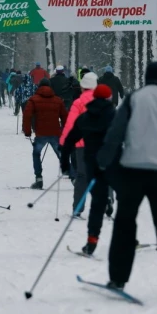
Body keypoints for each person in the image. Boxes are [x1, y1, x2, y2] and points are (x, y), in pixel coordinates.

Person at [96, 61, 157, 296]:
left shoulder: (134, 99)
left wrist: (103, 159)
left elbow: (116, 131)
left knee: (124, 224)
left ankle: (118, 279)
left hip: (133, 170)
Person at [61, 84, 116, 255]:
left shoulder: (85, 117)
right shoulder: (115, 115)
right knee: (128, 202)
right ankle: (130, 238)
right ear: (109, 98)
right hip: (112, 163)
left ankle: (91, 242)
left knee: (96, 205)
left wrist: (64, 164)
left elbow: (69, 140)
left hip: (91, 162)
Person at [59, 71, 98, 217]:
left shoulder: (79, 103)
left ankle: (78, 207)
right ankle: (107, 201)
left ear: (83, 88)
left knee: (82, 176)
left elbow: (70, 125)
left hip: (82, 145)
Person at [23, 78, 68, 189]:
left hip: (41, 133)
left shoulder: (33, 100)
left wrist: (27, 131)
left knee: (36, 154)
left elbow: (27, 115)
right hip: (55, 132)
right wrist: (64, 131)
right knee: (62, 155)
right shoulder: (58, 100)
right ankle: (74, 178)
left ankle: (39, 179)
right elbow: (65, 117)